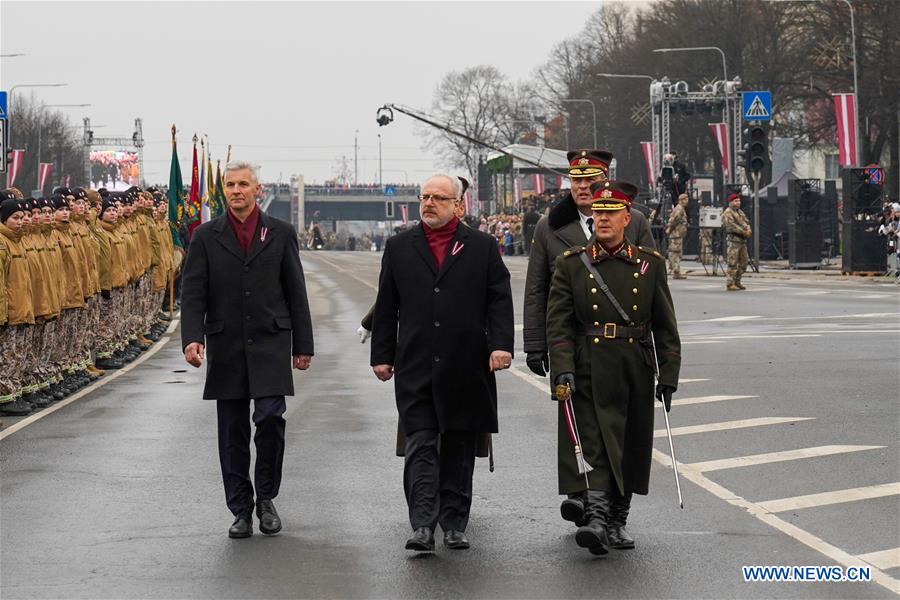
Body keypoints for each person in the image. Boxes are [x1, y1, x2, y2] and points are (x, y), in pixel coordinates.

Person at [370, 173, 514, 552]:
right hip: (415, 362)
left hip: (466, 363)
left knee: (459, 444)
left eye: (438, 197)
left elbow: (499, 298)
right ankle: (422, 524)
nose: (429, 203)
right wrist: (382, 355)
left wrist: (501, 345)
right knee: (420, 441)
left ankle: (453, 522)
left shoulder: (481, 246)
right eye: (424, 197)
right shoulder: (400, 247)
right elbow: (386, 306)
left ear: (457, 205)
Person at [546, 180, 681, 555]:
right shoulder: (571, 264)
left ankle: (617, 521)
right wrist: (562, 367)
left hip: (634, 364)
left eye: (611, 213)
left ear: (627, 218)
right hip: (589, 363)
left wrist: (668, 375)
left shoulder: (650, 265)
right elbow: (558, 322)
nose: (602, 219)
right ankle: (597, 520)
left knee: (631, 445)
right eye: (598, 213)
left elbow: (665, 325)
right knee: (594, 441)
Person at [180, 161, 314, 539]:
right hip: (226, 345)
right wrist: (193, 337)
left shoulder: (281, 233)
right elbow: (193, 293)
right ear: (224, 190)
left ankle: (266, 497)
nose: (236, 190)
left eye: (243, 184)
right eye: (230, 185)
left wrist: (302, 345)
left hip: (271, 341)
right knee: (232, 431)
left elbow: (295, 292)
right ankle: (240, 508)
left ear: (258, 189)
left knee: (271, 418)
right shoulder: (206, 236)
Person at [523, 149, 654, 525]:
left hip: (624, 345)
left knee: (621, 429)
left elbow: (650, 279)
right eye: (576, 180)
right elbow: (537, 289)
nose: (582, 187)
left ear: (606, 177)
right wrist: (535, 343)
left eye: (590, 179)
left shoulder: (636, 220)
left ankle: (601, 507)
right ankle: (582, 495)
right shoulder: (550, 226)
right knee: (577, 423)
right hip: (573, 341)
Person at [722, 193, 751, 290]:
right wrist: (743, 231)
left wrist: (748, 229)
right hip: (733, 240)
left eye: (739, 201)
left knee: (744, 261)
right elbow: (730, 225)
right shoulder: (728, 212)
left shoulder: (740, 212)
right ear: (730, 202)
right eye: (735, 201)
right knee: (732, 262)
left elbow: (745, 222)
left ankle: (737, 281)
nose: (738, 203)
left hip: (742, 241)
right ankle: (730, 283)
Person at [666, 193, 689, 279]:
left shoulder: (680, 208)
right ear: (681, 200)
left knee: (675, 251)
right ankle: (676, 271)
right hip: (676, 234)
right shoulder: (679, 209)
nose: (687, 201)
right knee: (676, 252)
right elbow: (675, 221)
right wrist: (670, 229)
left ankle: (674, 269)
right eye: (685, 199)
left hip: (678, 234)